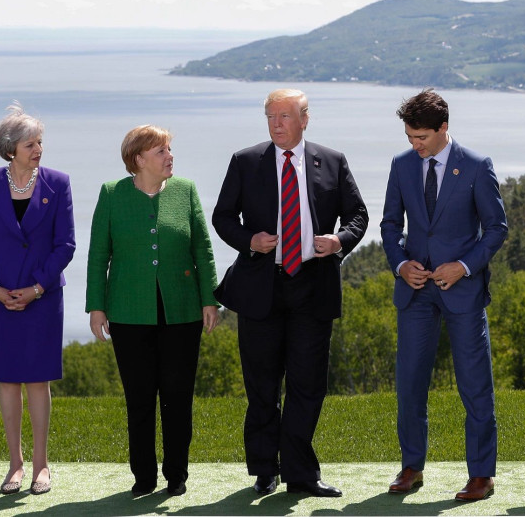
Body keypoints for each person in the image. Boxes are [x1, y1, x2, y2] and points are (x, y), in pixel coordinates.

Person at [213, 89, 368, 497]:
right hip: (261, 287)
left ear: (304, 119)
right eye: (270, 116)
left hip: (312, 287)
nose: (276, 123)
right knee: (262, 385)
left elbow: (358, 215)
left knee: (308, 385)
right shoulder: (246, 161)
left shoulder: (332, 160)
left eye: (284, 116)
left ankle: (301, 473)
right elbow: (222, 217)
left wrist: (339, 240)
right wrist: (250, 239)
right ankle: (266, 470)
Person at [381, 89, 507, 502]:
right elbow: (388, 225)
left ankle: (481, 475)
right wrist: (401, 264)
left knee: (474, 385)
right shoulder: (401, 165)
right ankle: (412, 468)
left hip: (463, 292)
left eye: (421, 137)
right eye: (409, 137)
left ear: (443, 129)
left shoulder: (475, 166)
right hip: (415, 293)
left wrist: (464, 266)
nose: (414, 145)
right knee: (410, 384)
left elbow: (496, 229)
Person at [86, 124, 219, 498]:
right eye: (161, 151)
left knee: (178, 398)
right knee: (140, 399)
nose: (170, 157)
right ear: (139, 159)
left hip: (183, 311)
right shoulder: (112, 194)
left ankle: (176, 475)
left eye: (169, 150)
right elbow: (99, 255)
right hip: (128, 314)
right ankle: (143, 477)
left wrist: (209, 298)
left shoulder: (186, 190)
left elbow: (202, 249)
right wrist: (97, 307)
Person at [0, 105, 76, 495]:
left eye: (40, 142)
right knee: (7, 381)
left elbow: (66, 245)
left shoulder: (58, 183)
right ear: (11, 149)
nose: (39, 149)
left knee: (37, 380)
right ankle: (15, 465)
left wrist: (38, 288)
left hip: (42, 297)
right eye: (31, 143)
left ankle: (42, 466)